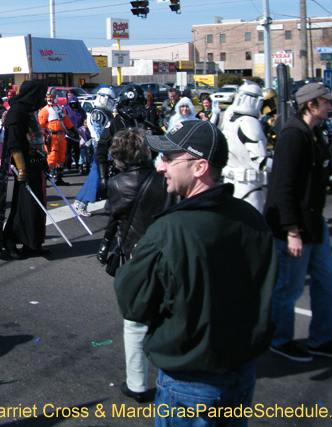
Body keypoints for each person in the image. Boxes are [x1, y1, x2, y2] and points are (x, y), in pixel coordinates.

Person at [114, 120, 277, 423]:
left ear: (200, 167)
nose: (160, 167)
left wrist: (139, 264)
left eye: (169, 159)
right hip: (241, 371)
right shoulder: (251, 218)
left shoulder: (169, 231)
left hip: (190, 381)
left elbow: (133, 304)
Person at [264, 82, 332, 363]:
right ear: (311, 105)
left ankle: (321, 339)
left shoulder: (314, 133)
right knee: (290, 289)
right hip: (294, 228)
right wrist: (292, 231)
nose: (331, 106)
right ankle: (280, 340)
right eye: (326, 102)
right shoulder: (293, 135)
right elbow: (282, 188)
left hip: (315, 222)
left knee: (327, 284)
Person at [99, 128, 174, 403]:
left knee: (135, 320)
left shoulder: (117, 183)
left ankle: (137, 383)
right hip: (165, 251)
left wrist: (106, 245)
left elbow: (115, 217)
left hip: (135, 256)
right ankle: (170, 376)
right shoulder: (164, 178)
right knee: (167, 313)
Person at [0, 80, 49, 259]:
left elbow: (36, 137)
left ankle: (32, 243)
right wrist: (21, 169)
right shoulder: (17, 111)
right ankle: (9, 239)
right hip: (24, 166)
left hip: (36, 163)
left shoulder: (29, 110)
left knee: (36, 207)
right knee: (24, 206)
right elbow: (14, 144)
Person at [221, 80, 269, 213]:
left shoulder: (230, 119)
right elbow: (259, 161)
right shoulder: (249, 122)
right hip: (248, 186)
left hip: (230, 182)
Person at [73, 86, 115, 218]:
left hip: (103, 147)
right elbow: (99, 134)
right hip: (101, 148)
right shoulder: (98, 113)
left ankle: (89, 201)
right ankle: (81, 201)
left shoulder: (101, 112)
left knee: (101, 174)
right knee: (97, 176)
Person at [39, 91, 75, 186]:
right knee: (52, 157)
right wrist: (42, 137)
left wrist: (73, 129)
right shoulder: (44, 110)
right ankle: (44, 179)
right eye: (48, 97)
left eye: (51, 97)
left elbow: (66, 120)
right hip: (51, 137)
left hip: (61, 136)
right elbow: (40, 125)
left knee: (61, 158)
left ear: (55, 97)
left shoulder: (60, 108)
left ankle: (58, 178)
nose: (49, 99)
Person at [64, 93, 87, 173]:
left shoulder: (81, 111)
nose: (73, 105)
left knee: (77, 151)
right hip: (68, 133)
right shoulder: (66, 109)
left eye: (74, 103)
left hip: (78, 134)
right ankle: (67, 166)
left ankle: (78, 165)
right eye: (71, 103)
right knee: (67, 151)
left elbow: (84, 120)